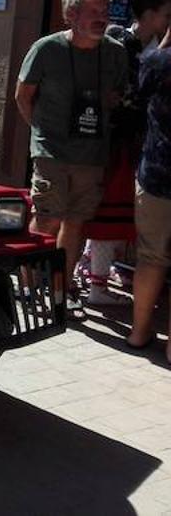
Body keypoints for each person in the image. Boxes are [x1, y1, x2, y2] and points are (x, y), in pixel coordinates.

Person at [15, 0, 128, 313]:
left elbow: (117, 95)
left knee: (76, 221)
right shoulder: (45, 49)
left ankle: (59, 288)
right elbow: (23, 96)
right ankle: (28, 286)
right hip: (51, 151)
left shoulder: (115, 53)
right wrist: (41, 133)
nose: (101, 18)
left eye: (104, 12)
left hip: (92, 153)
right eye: (94, 12)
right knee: (47, 218)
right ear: (71, 14)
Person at [86, 0, 171, 304]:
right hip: (114, 139)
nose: (167, 20)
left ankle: (98, 272)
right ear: (148, 15)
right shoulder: (119, 41)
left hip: (135, 141)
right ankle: (97, 283)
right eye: (164, 14)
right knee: (104, 212)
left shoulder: (150, 48)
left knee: (117, 214)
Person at [126, 27, 171, 361]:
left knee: (151, 257)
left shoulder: (157, 62)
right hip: (157, 171)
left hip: (157, 171)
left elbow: (138, 94)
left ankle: (139, 332)